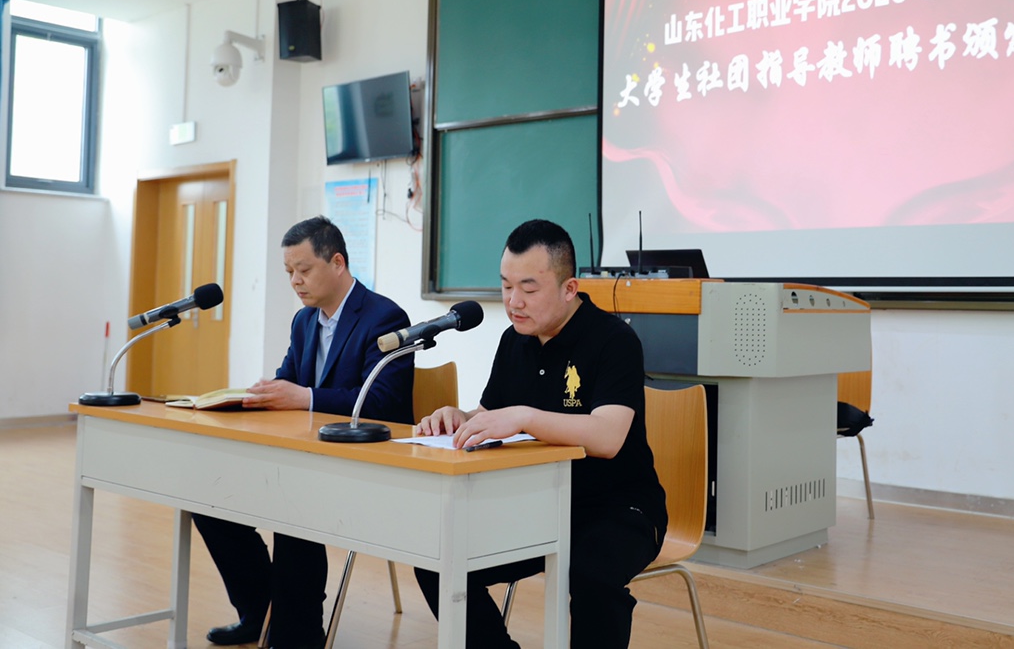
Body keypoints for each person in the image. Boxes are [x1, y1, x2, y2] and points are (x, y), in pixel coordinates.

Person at [413, 219, 667, 648]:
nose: (514, 302)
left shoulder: (615, 340)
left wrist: (526, 417)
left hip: (619, 507)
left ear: (570, 288)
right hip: (538, 504)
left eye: (529, 289)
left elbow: (607, 438)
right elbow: (493, 415)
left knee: (591, 574)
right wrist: (460, 418)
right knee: (439, 559)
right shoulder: (515, 340)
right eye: (506, 286)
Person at [194, 216, 414, 649]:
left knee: (294, 504)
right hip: (303, 457)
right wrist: (256, 397)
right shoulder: (304, 321)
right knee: (209, 498)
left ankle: (298, 634)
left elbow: (382, 404)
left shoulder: (384, 317)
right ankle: (260, 612)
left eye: (304, 269)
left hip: (365, 464)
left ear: (337, 263)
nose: (295, 281)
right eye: (289, 272)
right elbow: (288, 383)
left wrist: (306, 397)